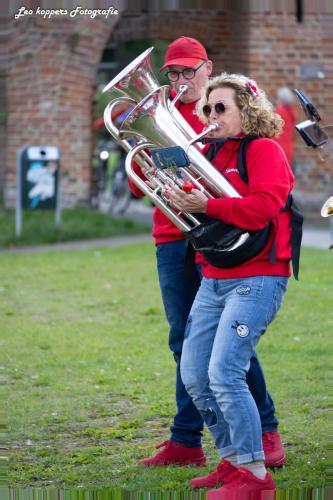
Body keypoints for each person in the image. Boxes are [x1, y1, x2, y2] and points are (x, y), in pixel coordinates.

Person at [129, 37, 285, 470]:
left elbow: (257, 195)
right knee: (186, 341)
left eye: (188, 71)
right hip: (173, 237)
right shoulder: (157, 115)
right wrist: (145, 159)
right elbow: (138, 186)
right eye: (173, 73)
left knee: (228, 346)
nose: (181, 80)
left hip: (223, 238)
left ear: (207, 68)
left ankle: (264, 430)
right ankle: (187, 440)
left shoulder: (223, 118)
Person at [166, 73, 295, 497]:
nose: (211, 116)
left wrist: (207, 204)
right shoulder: (206, 151)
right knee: (194, 375)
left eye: (221, 108)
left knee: (224, 373)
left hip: (258, 277)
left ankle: (256, 478)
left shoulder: (265, 150)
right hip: (215, 277)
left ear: (248, 111)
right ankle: (235, 459)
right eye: (207, 108)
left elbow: (262, 208)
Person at [273, 87, 297, 170]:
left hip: (279, 151)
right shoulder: (290, 112)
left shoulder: (279, 112)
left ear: (281, 100)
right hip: (289, 151)